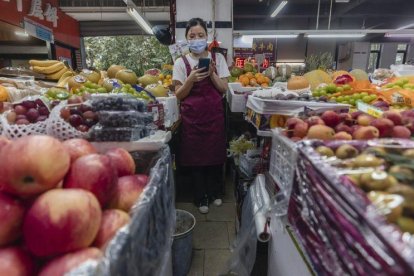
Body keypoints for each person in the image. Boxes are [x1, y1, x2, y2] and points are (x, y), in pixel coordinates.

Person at [173, 18, 230, 214]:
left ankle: (214, 193)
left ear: (207, 37)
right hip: (192, 120)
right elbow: (178, 94)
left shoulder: (218, 60)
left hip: (213, 117)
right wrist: (190, 79)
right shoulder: (180, 63)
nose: (196, 39)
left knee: (214, 156)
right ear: (186, 39)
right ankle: (200, 197)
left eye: (200, 35)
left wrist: (212, 74)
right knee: (195, 159)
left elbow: (223, 89)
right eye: (192, 36)